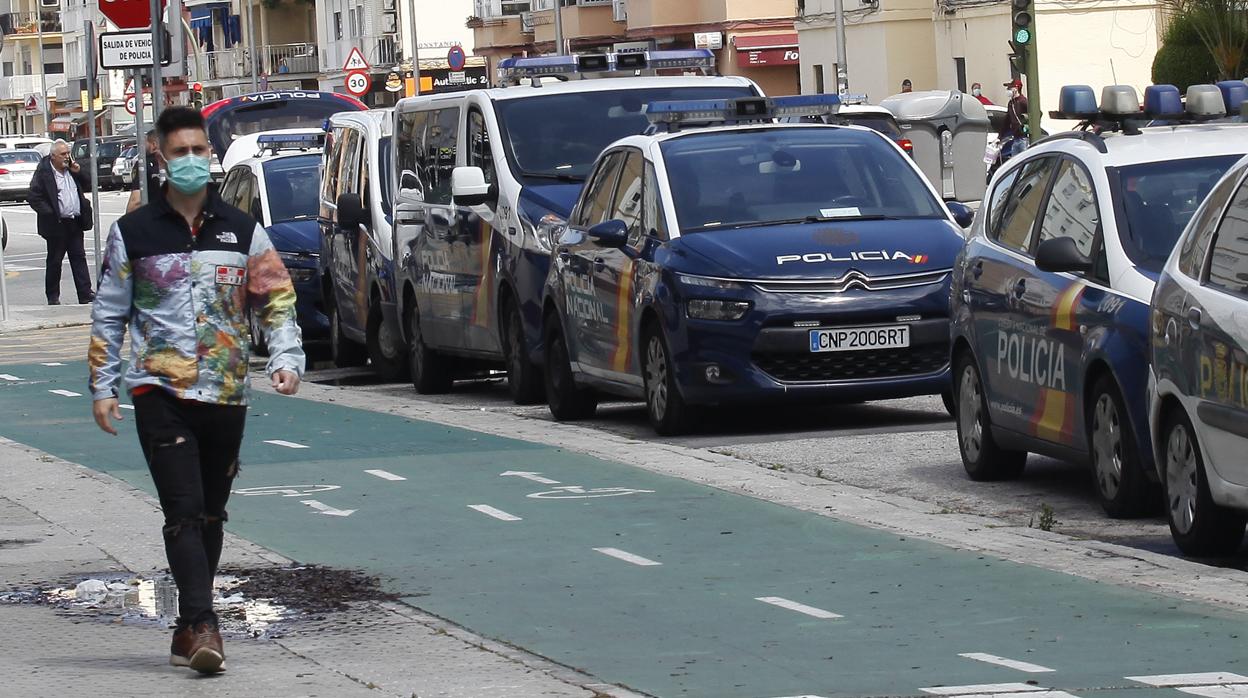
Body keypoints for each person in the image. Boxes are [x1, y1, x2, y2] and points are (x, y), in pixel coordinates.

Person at [88, 106, 305, 674]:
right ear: (159, 156)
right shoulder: (133, 233)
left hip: (227, 394)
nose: (191, 162)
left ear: (210, 156)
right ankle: (206, 623)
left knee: (211, 515)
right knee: (182, 509)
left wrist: (285, 358)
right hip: (159, 391)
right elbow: (109, 315)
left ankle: (189, 626)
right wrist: (103, 385)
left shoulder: (241, 229)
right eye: (179, 152)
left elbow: (275, 300)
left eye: (199, 152)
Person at [28, 140, 94, 305]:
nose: (67, 157)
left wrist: (78, 172)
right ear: (53, 156)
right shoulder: (44, 173)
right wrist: (50, 213)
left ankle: (85, 293)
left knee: (79, 257)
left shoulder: (71, 170)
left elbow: (89, 185)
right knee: (55, 261)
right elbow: (34, 197)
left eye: (68, 153)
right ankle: (53, 296)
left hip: (74, 222)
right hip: (56, 224)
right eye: (63, 154)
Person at [127, 129, 163, 214]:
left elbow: (136, 201)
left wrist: (126, 222)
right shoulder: (176, 162)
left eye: (145, 143)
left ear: (153, 145)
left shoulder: (143, 164)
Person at [999, 78, 1030, 159]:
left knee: (1025, 162)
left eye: (1010, 88)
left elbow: (1036, 114)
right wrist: (1000, 137)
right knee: (1014, 163)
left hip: (1024, 139)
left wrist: (1026, 125)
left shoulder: (1023, 101)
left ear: (1016, 89)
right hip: (1016, 138)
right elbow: (1006, 121)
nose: (1008, 90)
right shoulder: (1011, 103)